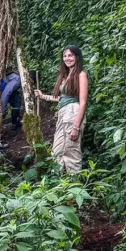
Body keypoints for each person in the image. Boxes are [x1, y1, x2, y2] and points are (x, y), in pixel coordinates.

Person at [35, 45, 88, 173]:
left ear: (77, 57)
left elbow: (83, 102)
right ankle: (60, 185)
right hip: (63, 114)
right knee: (57, 151)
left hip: (73, 114)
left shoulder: (81, 75)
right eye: (65, 56)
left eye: (70, 55)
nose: (67, 58)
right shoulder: (66, 75)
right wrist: (44, 96)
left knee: (71, 153)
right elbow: (63, 98)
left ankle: (75, 187)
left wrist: (76, 126)